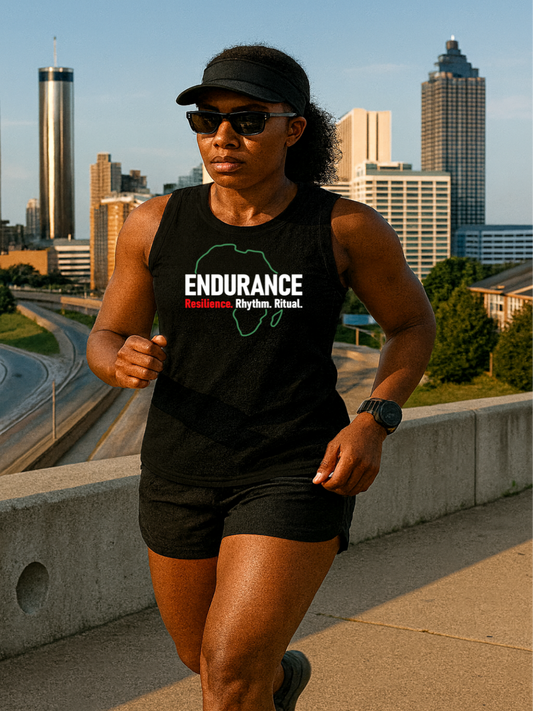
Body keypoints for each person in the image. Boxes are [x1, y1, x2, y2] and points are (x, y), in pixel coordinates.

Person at [87, 44, 435, 711]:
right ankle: (281, 683)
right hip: (178, 468)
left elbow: (411, 327)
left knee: (230, 667)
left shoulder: (343, 226)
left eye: (247, 119)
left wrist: (374, 417)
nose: (222, 135)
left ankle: (257, 681)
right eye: (206, 119)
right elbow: (105, 336)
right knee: (204, 658)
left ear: (292, 128)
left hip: (294, 465)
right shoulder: (153, 223)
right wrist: (118, 359)